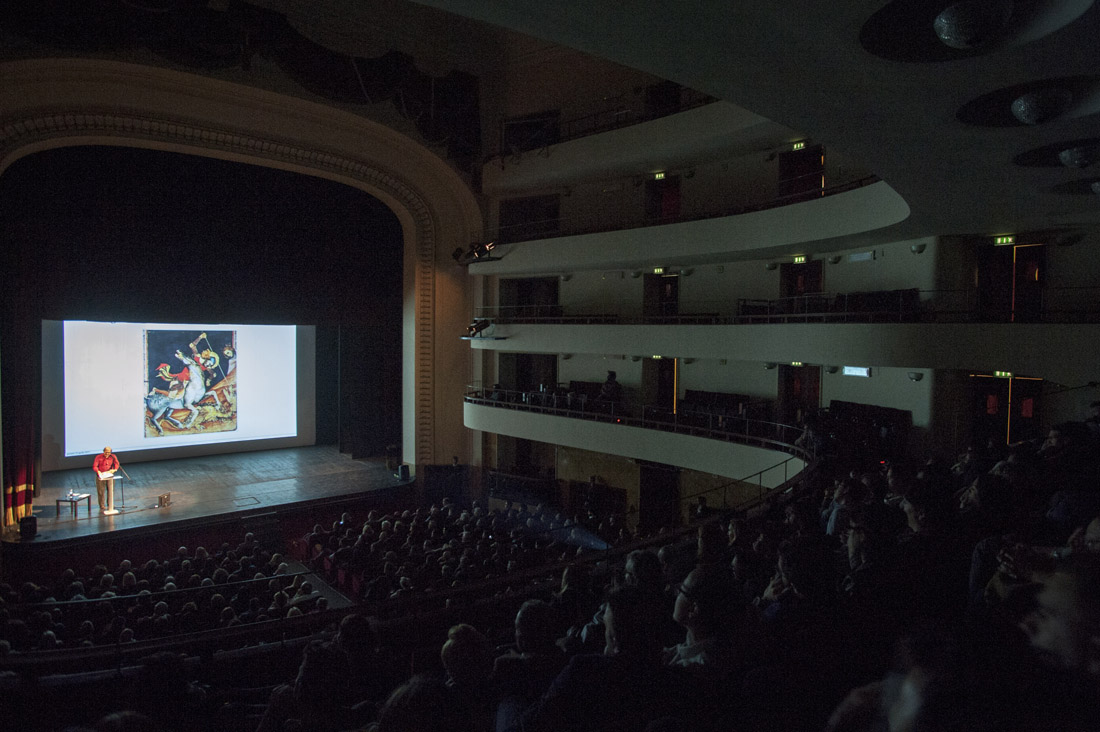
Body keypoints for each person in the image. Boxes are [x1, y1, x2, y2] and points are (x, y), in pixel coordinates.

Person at [93, 446, 119, 513]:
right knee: (101, 491)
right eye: (106, 452)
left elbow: (116, 464)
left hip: (109, 475)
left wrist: (115, 469)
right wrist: (98, 471)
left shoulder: (113, 456)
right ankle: (102, 505)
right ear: (103, 451)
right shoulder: (98, 457)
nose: (107, 454)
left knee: (110, 490)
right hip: (101, 475)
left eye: (109, 452)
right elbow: (95, 466)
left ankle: (110, 504)